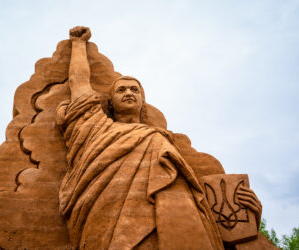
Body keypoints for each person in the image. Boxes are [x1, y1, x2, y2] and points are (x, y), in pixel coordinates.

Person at [57, 26, 261, 250]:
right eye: (121, 90)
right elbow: (80, 85)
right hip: (105, 229)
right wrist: (78, 44)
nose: (129, 93)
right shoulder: (95, 128)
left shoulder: (158, 139)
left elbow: (199, 212)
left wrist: (245, 216)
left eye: (135, 90)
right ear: (110, 102)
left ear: (142, 101)